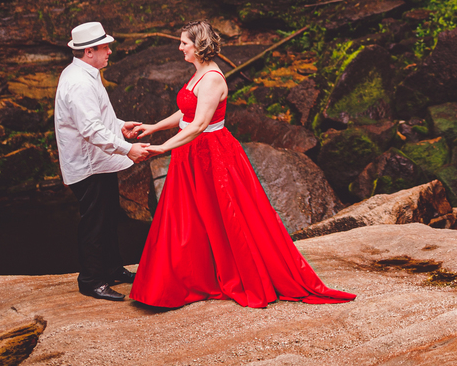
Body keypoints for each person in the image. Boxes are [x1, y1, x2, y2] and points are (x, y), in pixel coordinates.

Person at [125, 19, 354, 308]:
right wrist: (153, 127)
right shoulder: (198, 74)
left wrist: (162, 148)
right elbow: (185, 112)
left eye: (184, 42)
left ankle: (226, 273)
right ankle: (189, 276)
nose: (180, 46)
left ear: (198, 46)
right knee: (188, 214)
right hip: (191, 152)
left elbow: (198, 126)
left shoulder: (212, 79)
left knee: (224, 214)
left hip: (210, 154)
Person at [54, 21, 155, 301]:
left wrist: (120, 125)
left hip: (100, 162)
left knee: (109, 217)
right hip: (88, 166)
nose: (110, 51)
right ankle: (91, 279)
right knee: (94, 223)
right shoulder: (78, 83)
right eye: (105, 47)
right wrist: (127, 149)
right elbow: (89, 130)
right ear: (89, 52)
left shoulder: (87, 73)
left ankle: (111, 267)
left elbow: (98, 119)